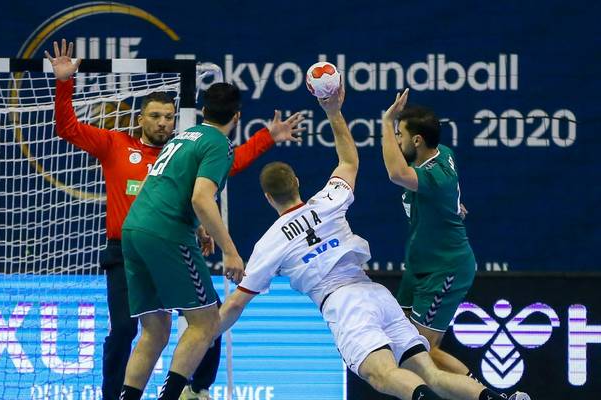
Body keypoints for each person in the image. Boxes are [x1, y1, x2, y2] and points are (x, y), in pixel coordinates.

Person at [216, 85, 530, 400]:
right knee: (430, 373)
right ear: (296, 183)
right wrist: (333, 112)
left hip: (345, 305)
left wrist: (205, 333)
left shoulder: (269, 242)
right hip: (376, 294)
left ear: (268, 198)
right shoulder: (329, 200)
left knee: (383, 375)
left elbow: (235, 304)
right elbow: (349, 160)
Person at [45, 39, 303, 400]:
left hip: (143, 238)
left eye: (169, 116)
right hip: (141, 245)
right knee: (176, 323)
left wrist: (265, 139)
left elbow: (220, 170)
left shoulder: (180, 144)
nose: (163, 122)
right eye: (155, 116)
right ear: (140, 119)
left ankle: (194, 390)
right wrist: (64, 83)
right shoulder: (119, 145)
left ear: (184, 116)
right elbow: (203, 191)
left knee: (164, 327)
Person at [380, 88, 479, 378]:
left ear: (417, 140)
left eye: (400, 135)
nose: (397, 140)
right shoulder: (441, 154)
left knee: (422, 349)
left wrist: (386, 122)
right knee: (399, 339)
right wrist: (453, 206)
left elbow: (396, 173)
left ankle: (487, 395)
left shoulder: (436, 177)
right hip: (419, 267)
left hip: (445, 269)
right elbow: (445, 193)